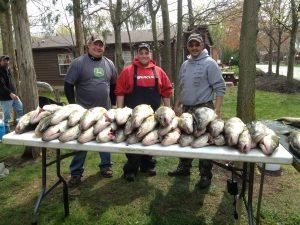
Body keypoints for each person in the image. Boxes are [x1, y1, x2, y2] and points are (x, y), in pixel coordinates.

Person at [168, 33, 226, 189]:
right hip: (186, 109)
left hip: (204, 109)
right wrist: (177, 104)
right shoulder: (185, 65)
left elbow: (220, 88)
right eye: (191, 44)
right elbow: (181, 86)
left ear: (202, 45)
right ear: (188, 47)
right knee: (185, 137)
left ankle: (205, 175)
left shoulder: (210, 63)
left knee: (205, 141)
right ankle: (184, 167)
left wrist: (218, 110)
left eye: (197, 44)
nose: (194, 47)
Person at [64, 34, 118, 187]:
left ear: (104, 47)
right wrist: (73, 106)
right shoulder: (78, 63)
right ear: (88, 45)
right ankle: (76, 173)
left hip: (105, 111)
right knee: (81, 141)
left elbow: (114, 86)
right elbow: (68, 85)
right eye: (95, 44)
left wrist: (114, 105)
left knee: (105, 139)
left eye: (101, 45)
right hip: (84, 112)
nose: (98, 47)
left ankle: (106, 166)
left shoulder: (109, 64)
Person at [115, 43, 173, 182]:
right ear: (137, 55)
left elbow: (166, 91)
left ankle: (148, 165)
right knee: (132, 141)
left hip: (153, 116)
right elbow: (120, 91)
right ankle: (131, 169)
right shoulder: (128, 71)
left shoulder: (158, 71)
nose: (144, 55)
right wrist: (120, 111)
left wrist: (168, 109)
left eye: (146, 53)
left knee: (150, 140)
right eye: (141, 53)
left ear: (150, 54)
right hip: (133, 115)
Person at [0, 55, 23, 134]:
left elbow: (10, 83)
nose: (7, 62)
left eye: (7, 60)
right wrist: (10, 93)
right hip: (5, 97)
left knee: (20, 109)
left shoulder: (8, 70)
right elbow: (2, 85)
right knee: (6, 115)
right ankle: (6, 131)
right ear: (0, 62)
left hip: (13, 95)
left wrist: (14, 93)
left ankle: (20, 126)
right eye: (4, 60)